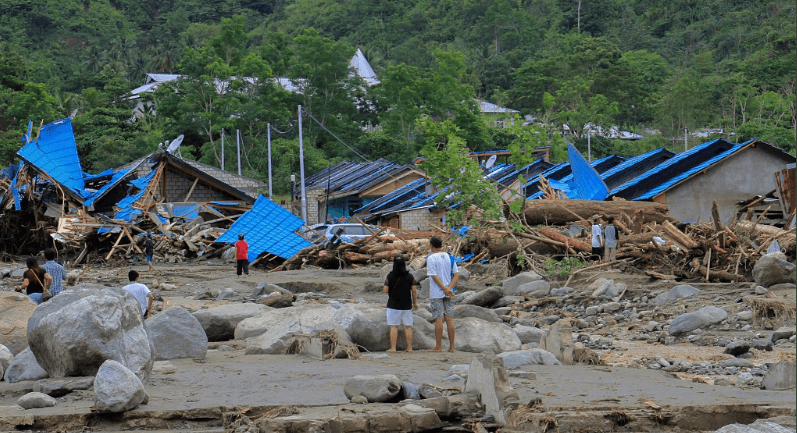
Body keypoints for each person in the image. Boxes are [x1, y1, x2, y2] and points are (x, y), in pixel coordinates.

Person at [426, 236, 458, 352]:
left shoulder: (431, 258)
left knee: (438, 319)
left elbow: (433, 276)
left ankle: (438, 346)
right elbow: (456, 275)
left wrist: (444, 288)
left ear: (431, 245)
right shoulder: (450, 257)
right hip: (450, 293)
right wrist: (449, 288)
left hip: (436, 293)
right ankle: (452, 347)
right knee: (449, 319)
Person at [382, 255, 418, 353]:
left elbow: (385, 290)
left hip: (393, 305)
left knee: (394, 326)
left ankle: (393, 348)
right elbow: (414, 291)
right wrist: (415, 303)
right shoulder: (410, 276)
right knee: (407, 326)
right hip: (407, 305)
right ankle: (409, 348)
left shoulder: (390, 275)